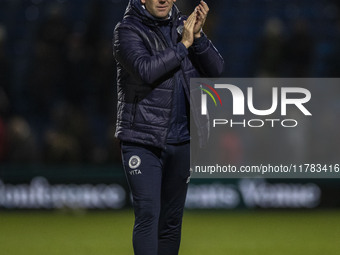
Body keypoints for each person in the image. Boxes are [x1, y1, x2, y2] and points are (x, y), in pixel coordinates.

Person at [113, 0, 224, 254]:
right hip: (142, 140)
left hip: (182, 140)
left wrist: (198, 37)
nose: (162, 0)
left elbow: (217, 70)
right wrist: (184, 45)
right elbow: (146, 71)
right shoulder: (127, 30)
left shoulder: (184, 27)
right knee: (148, 214)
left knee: (171, 223)